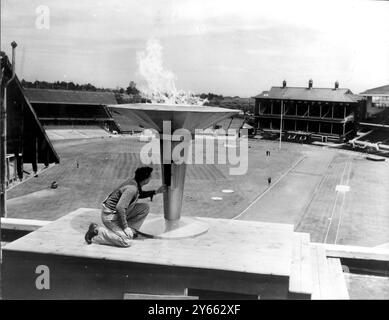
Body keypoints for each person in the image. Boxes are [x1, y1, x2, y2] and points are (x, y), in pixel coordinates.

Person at [99, 166, 166, 239]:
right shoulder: (132, 189)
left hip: (115, 213)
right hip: (110, 217)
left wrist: (156, 192)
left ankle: (131, 230)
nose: (151, 178)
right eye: (150, 177)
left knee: (144, 208)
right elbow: (120, 207)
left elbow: (139, 194)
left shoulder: (134, 182)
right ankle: (98, 232)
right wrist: (125, 227)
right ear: (145, 179)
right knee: (125, 240)